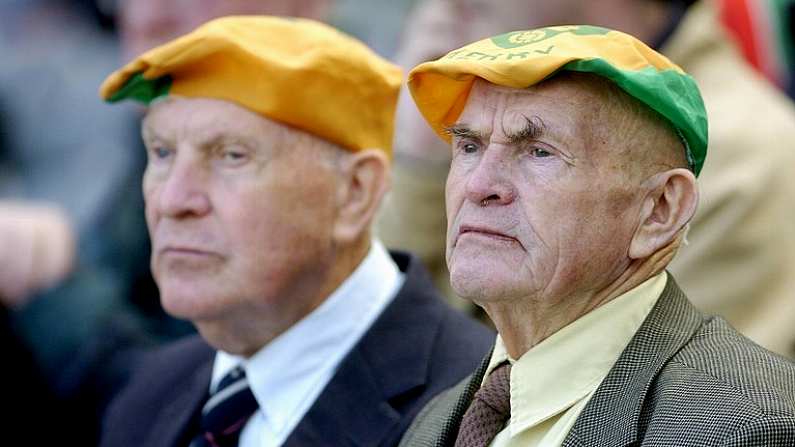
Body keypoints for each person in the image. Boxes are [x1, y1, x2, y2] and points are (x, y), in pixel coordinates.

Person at [96, 16, 493, 447]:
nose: (173, 200)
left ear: (355, 192)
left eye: (231, 156)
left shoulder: (475, 411)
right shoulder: (149, 391)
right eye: (161, 152)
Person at [399, 26, 795, 446]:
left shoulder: (748, 425)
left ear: (660, 210)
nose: (478, 186)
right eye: (469, 147)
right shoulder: (441, 415)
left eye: (539, 152)